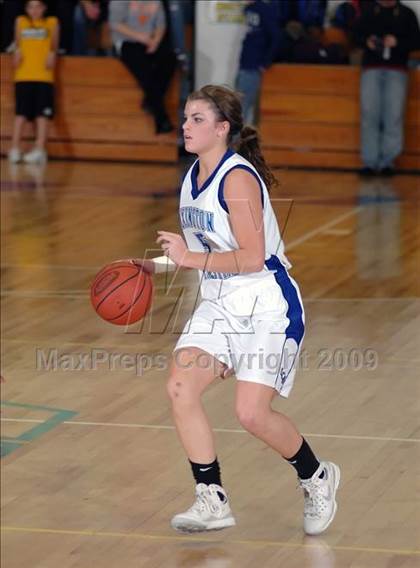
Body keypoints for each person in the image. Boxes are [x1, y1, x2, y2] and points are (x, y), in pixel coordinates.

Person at [128, 85, 340, 535]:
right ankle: (212, 498)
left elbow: (250, 256)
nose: (186, 126)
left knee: (251, 414)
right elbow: (205, 248)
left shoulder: (237, 179)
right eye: (185, 118)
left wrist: (187, 259)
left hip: (267, 303)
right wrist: (156, 264)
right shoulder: (192, 176)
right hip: (219, 302)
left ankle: (316, 475)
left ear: (223, 128)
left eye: (197, 119)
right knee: (181, 386)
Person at [353, 0, 420, 176]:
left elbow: (416, 41)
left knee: (394, 115)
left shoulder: (406, 14)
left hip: (397, 69)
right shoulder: (368, 11)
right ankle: (370, 161)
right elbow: (355, 36)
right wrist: (367, 42)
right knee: (369, 114)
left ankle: (387, 162)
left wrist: (397, 42)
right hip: (371, 68)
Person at [109, 0, 176, 134]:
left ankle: (150, 101)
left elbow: (161, 24)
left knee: (170, 59)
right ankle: (161, 117)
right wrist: (142, 38)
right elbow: (115, 23)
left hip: (150, 41)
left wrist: (155, 42)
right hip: (127, 41)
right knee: (144, 68)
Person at [8, 0, 59, 164]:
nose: (35, 10)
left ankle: (39, 149)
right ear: (26, 9)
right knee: (20, 114)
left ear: (44, 8)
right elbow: (17, 45)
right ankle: (15, 148)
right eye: (31, 6)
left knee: (42, 115)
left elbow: (54, 46)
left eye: (38, 6)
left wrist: (52, 54)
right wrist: (16, 52)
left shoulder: (52, 22)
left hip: (44, 76)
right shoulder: (20, 22)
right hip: (23, 75)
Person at [235, 0, 278, 125]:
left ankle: (237, 142)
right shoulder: (249, 9)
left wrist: (266, 61)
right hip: (246, 63)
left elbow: (275, 36)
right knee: (241, 105)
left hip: (253, 65)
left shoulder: (264, 9)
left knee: (242, 107)